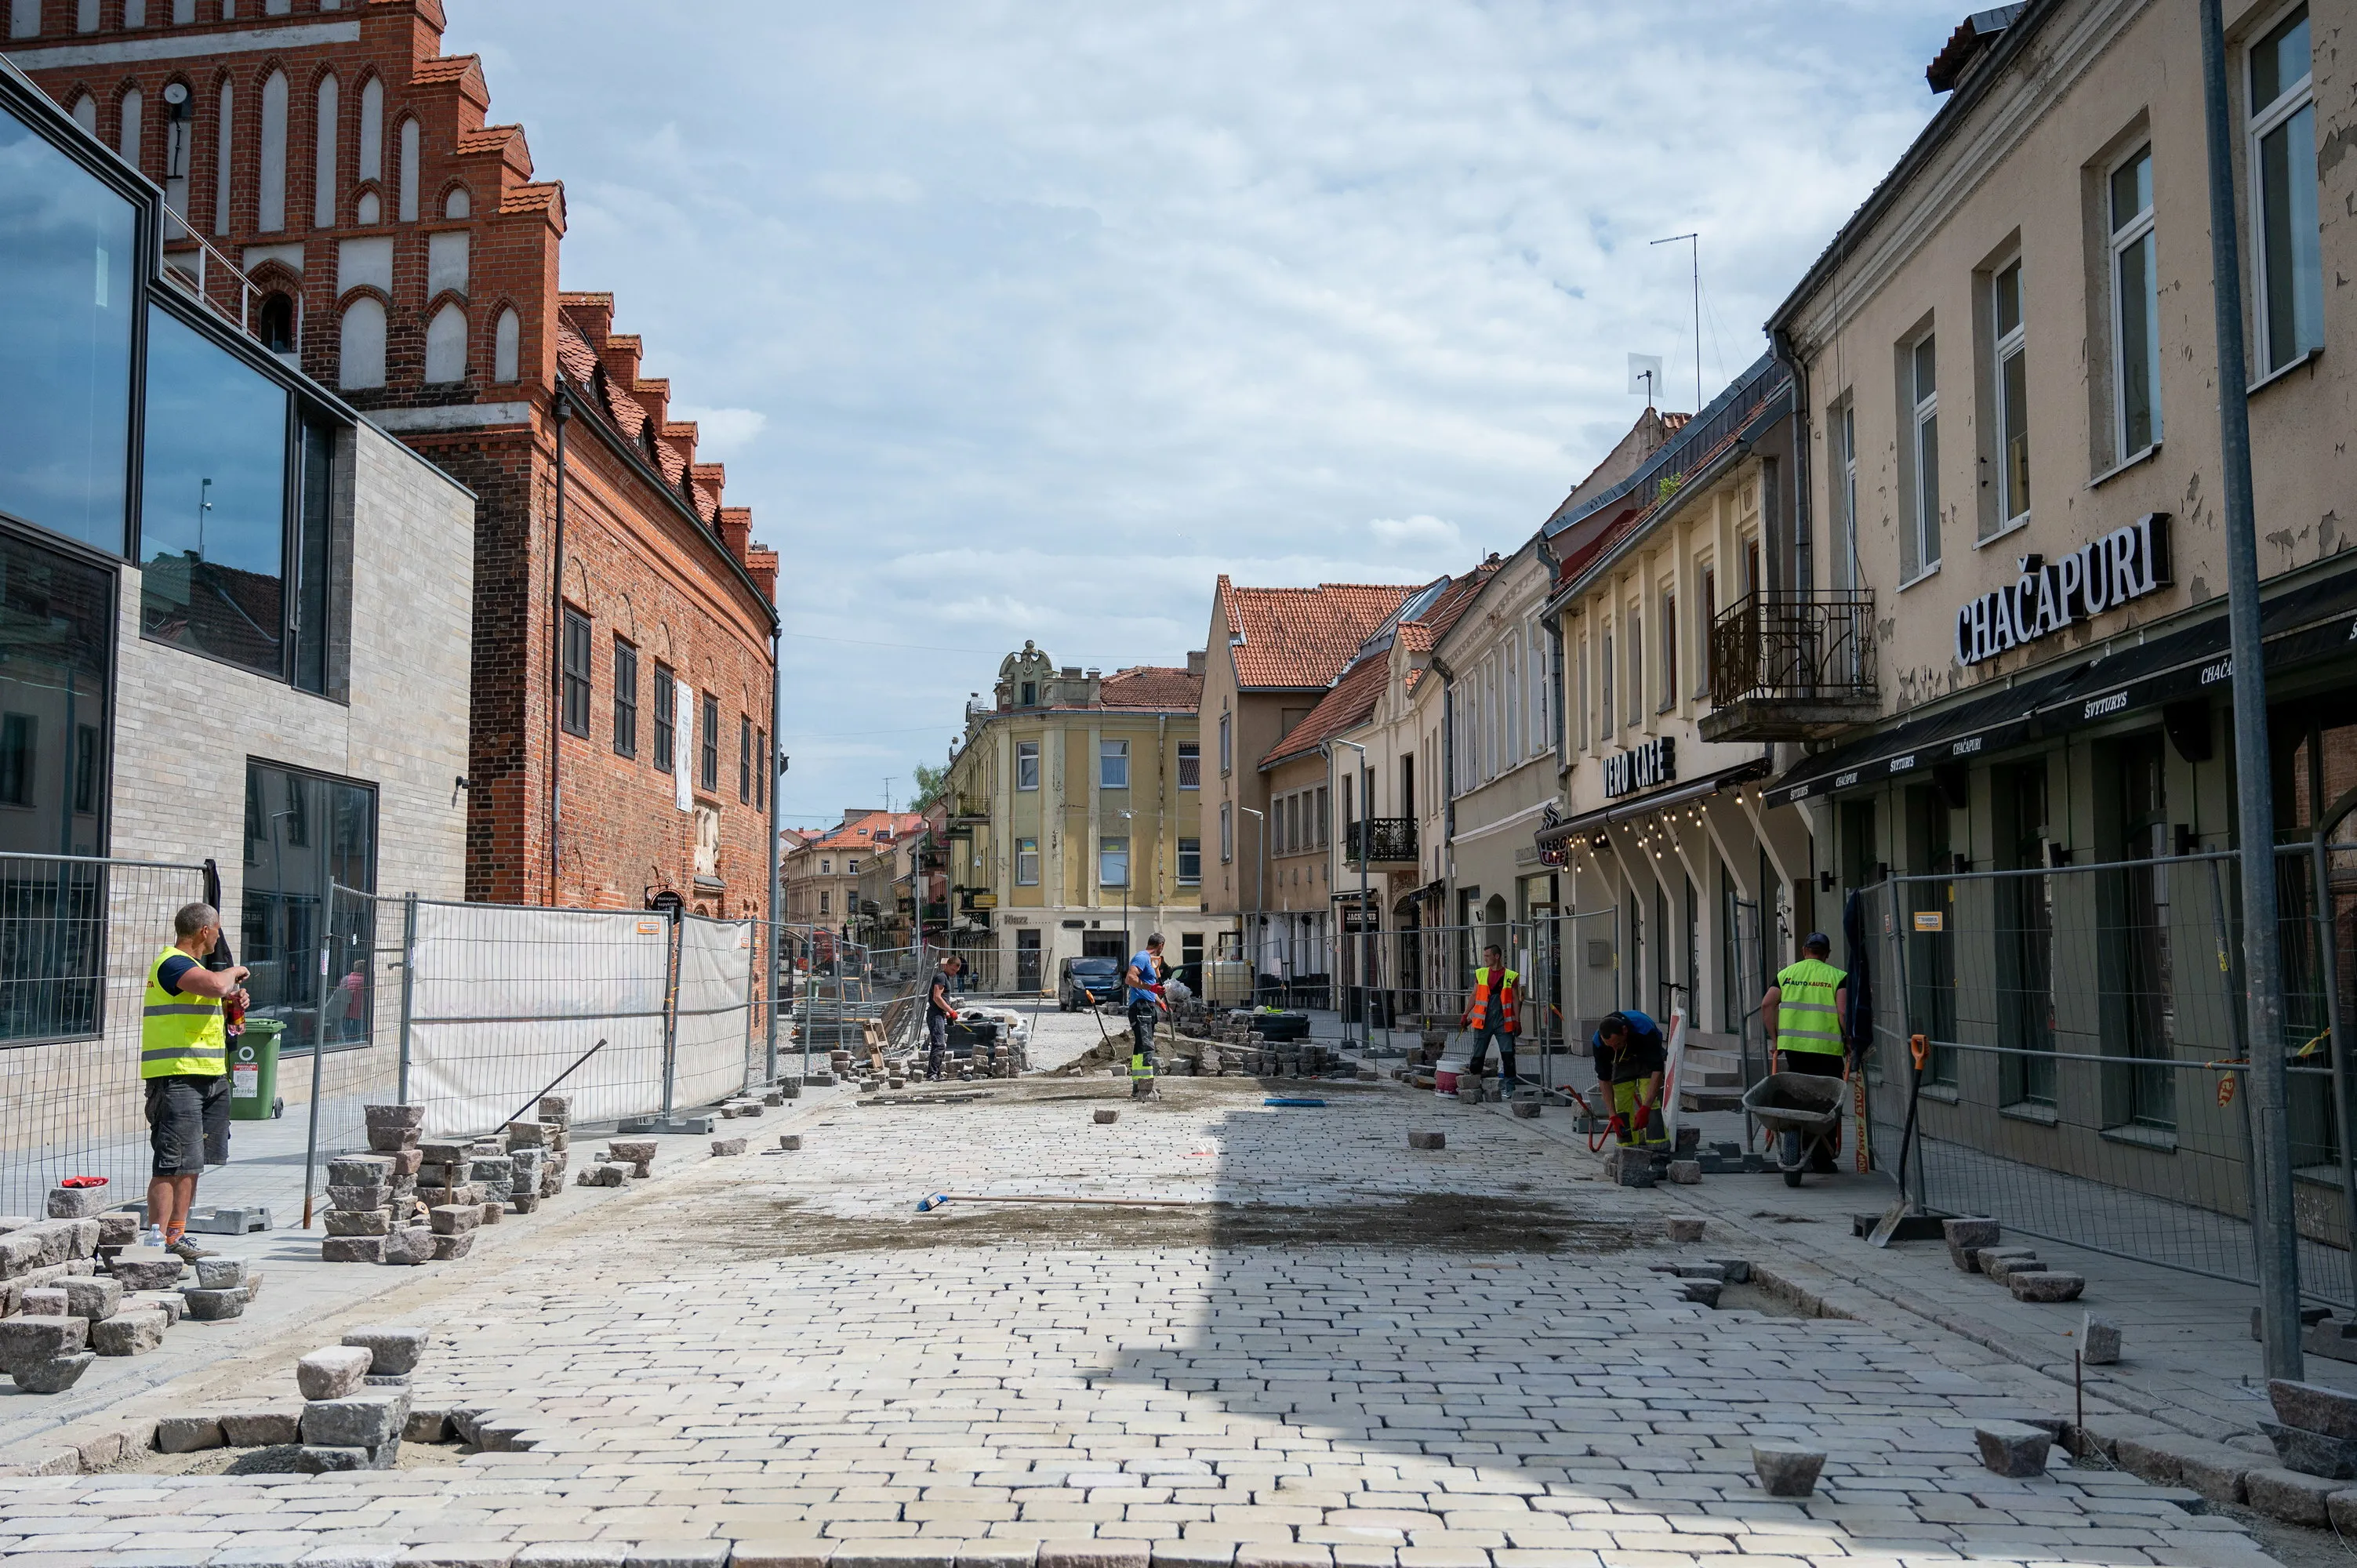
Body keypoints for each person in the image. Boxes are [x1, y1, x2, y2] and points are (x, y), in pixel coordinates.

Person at [143, 902, 249, 1260]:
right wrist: (233, 974)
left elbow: (215, 998)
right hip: (177, 1078)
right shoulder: (172, 963)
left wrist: (232, 1003)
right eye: (217, 930)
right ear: (205, 931)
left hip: (209, 1075)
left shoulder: (197, 970)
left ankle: (177, 1235)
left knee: (193, 1163)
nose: (219, 937)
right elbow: (218, 984)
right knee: (171, 1162)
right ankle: (156, 1241)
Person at [1760, 931, 1852, 1172]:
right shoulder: (1838, 976)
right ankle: (1823, 1158)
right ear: (1827, 954)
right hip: (1828, 1051)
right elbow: (1843, 1013)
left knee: (1798, 1096)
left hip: (1795, 1050)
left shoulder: (1786, 975)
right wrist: (1850, 1041)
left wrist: (1775, 1039)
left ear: (1804, 951)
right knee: (1827, 1101)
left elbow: (1767, 1004)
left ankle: (1798, 1144)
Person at [1592, 1008, 1669, 1148]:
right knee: (1621, 1100)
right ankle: (1626, 1149)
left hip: (1646, 1056)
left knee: (1650, 1100)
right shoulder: (1598, 1042)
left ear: (1625, 1030)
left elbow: (1657, 1070)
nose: (1614, 1049)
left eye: (1617, 1044)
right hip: (1623, 1060)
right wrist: (1612, 1115)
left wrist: (1645, 1108)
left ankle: (1659, 1149)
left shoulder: (1644, 1030)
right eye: (1610, 1046)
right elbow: (1604, 1079)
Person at [1460, 945, 1521, 1094]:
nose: (1485, 959)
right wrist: (1465, 1014)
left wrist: (1517, 1021)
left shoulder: (1510, 975)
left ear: (1497, 957)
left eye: (1487, 956)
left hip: (1503, 1022)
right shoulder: (1480, 974)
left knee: (1508, 1055)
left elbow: (1514, 999)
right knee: (1478, 1054)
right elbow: (1474, 995)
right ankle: (1474, 1084)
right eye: (1485, 956)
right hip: (1483, 1022)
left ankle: (1510, 1089)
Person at [1124, 933, 1167, 1096]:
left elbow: (1145, 988)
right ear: (1161, 945)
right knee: (1147, 1047)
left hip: (1146, 1006)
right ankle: (1146, 1088)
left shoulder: (1148, 960)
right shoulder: (1142, 957)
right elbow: (1130, 979)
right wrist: (1152, 988)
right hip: (1141, 1009)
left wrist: (1159, 1001)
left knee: (1139, 1049)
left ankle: (1138, 1086)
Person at [925, 954, 957, 1081]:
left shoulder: (945, 978)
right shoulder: (941, 978)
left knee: (940, 1044)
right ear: (947, 965)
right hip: (935, 1015)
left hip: (939, 1014)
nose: (954, 973)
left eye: (956, 971)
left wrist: (947, 1013)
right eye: (953, 970)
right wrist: (950, 1010)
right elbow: (937, 998)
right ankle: (932, 1074)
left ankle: (936, 1073)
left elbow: (941, 999)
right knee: (938, 1044)